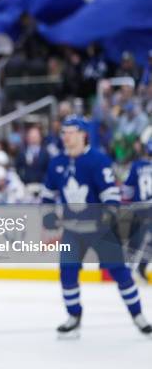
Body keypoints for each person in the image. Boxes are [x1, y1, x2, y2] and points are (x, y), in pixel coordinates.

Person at [41, 115, 151, 337]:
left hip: (101, 230)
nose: (66, 136)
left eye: (70, 132)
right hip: (72, 231)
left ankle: (138, 316)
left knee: (120, 273)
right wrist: (48, 220)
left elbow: (111, 195)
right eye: (63, 132)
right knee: (67, 273)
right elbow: (47, 196)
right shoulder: (57, 163)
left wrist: (108, 215)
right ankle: (74, 317)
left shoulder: (98, 160)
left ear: (83, 134)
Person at [122, 139, 152, 283]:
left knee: (134, 242)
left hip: (139, 208)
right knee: (150, 242)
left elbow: (127, 190)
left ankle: (127, 271)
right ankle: (142, 266)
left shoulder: (137, 165)